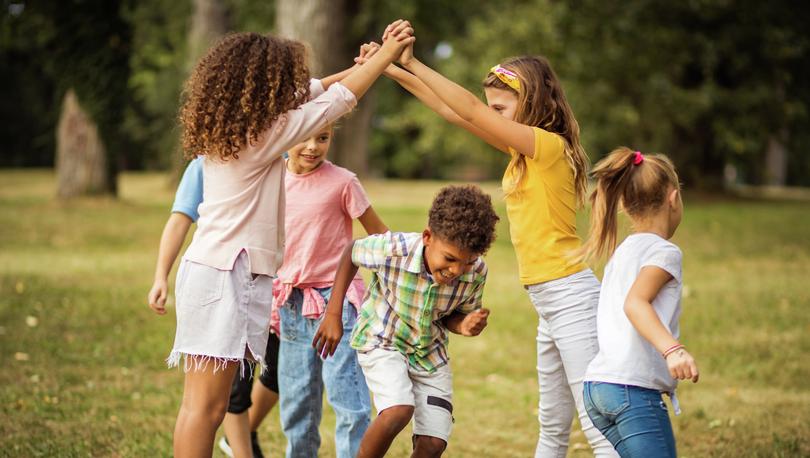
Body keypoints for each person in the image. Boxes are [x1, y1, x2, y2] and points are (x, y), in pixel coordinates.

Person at [163, 24, 414, 457]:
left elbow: (317, 90)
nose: (293, 90)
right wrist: (387, 53)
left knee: (205, 405)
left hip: (218, 269)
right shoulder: (263, 135)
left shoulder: (240, 127)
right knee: (204, 409)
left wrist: (355, 67)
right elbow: (337, 100)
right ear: (265, 87)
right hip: (226, 273)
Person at [368, 26, 616, 456]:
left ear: (532, 102)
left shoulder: (548, 147)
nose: (491, 114)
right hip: (549, 299)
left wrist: (412, 62)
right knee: (553, 424)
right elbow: (456, 113)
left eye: (500, 107)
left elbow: (465, 107)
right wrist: (389, 68)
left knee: (595, 422)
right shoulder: (524, 152)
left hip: (571, 296)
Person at [313, 185, 499, 458]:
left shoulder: (477, 272)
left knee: (433, 443)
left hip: (429, 355)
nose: (457, 271)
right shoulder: (394, 249)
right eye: (450, 258)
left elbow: (451, 318)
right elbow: (353, 251)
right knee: (398, 410)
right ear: (427, 237)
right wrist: (333, 314)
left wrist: (465, 325)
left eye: (467, 263)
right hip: (382, 340)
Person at [147, 157, 278, 458]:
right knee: (208, 406)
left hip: (256, 289)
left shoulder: (276, 155)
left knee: (204, 405)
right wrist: (159, 277)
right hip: (225, 286)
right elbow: (180, 219)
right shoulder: (206, 164)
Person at [272, 122, 388, 458]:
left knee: (349, 404)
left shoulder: (343, 182)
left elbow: (380, 235)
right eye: (304, 136)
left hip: (338, 302)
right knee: (296, 404)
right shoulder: (271, 179)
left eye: (322, 138)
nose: (312, 146)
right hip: (292, 301)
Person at [581, 148, 698, 457]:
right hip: (631, 390)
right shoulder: (664, 252)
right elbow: (635, 303)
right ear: (673, 198)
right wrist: (672, 350)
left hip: (598, 388)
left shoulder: (623, 251)